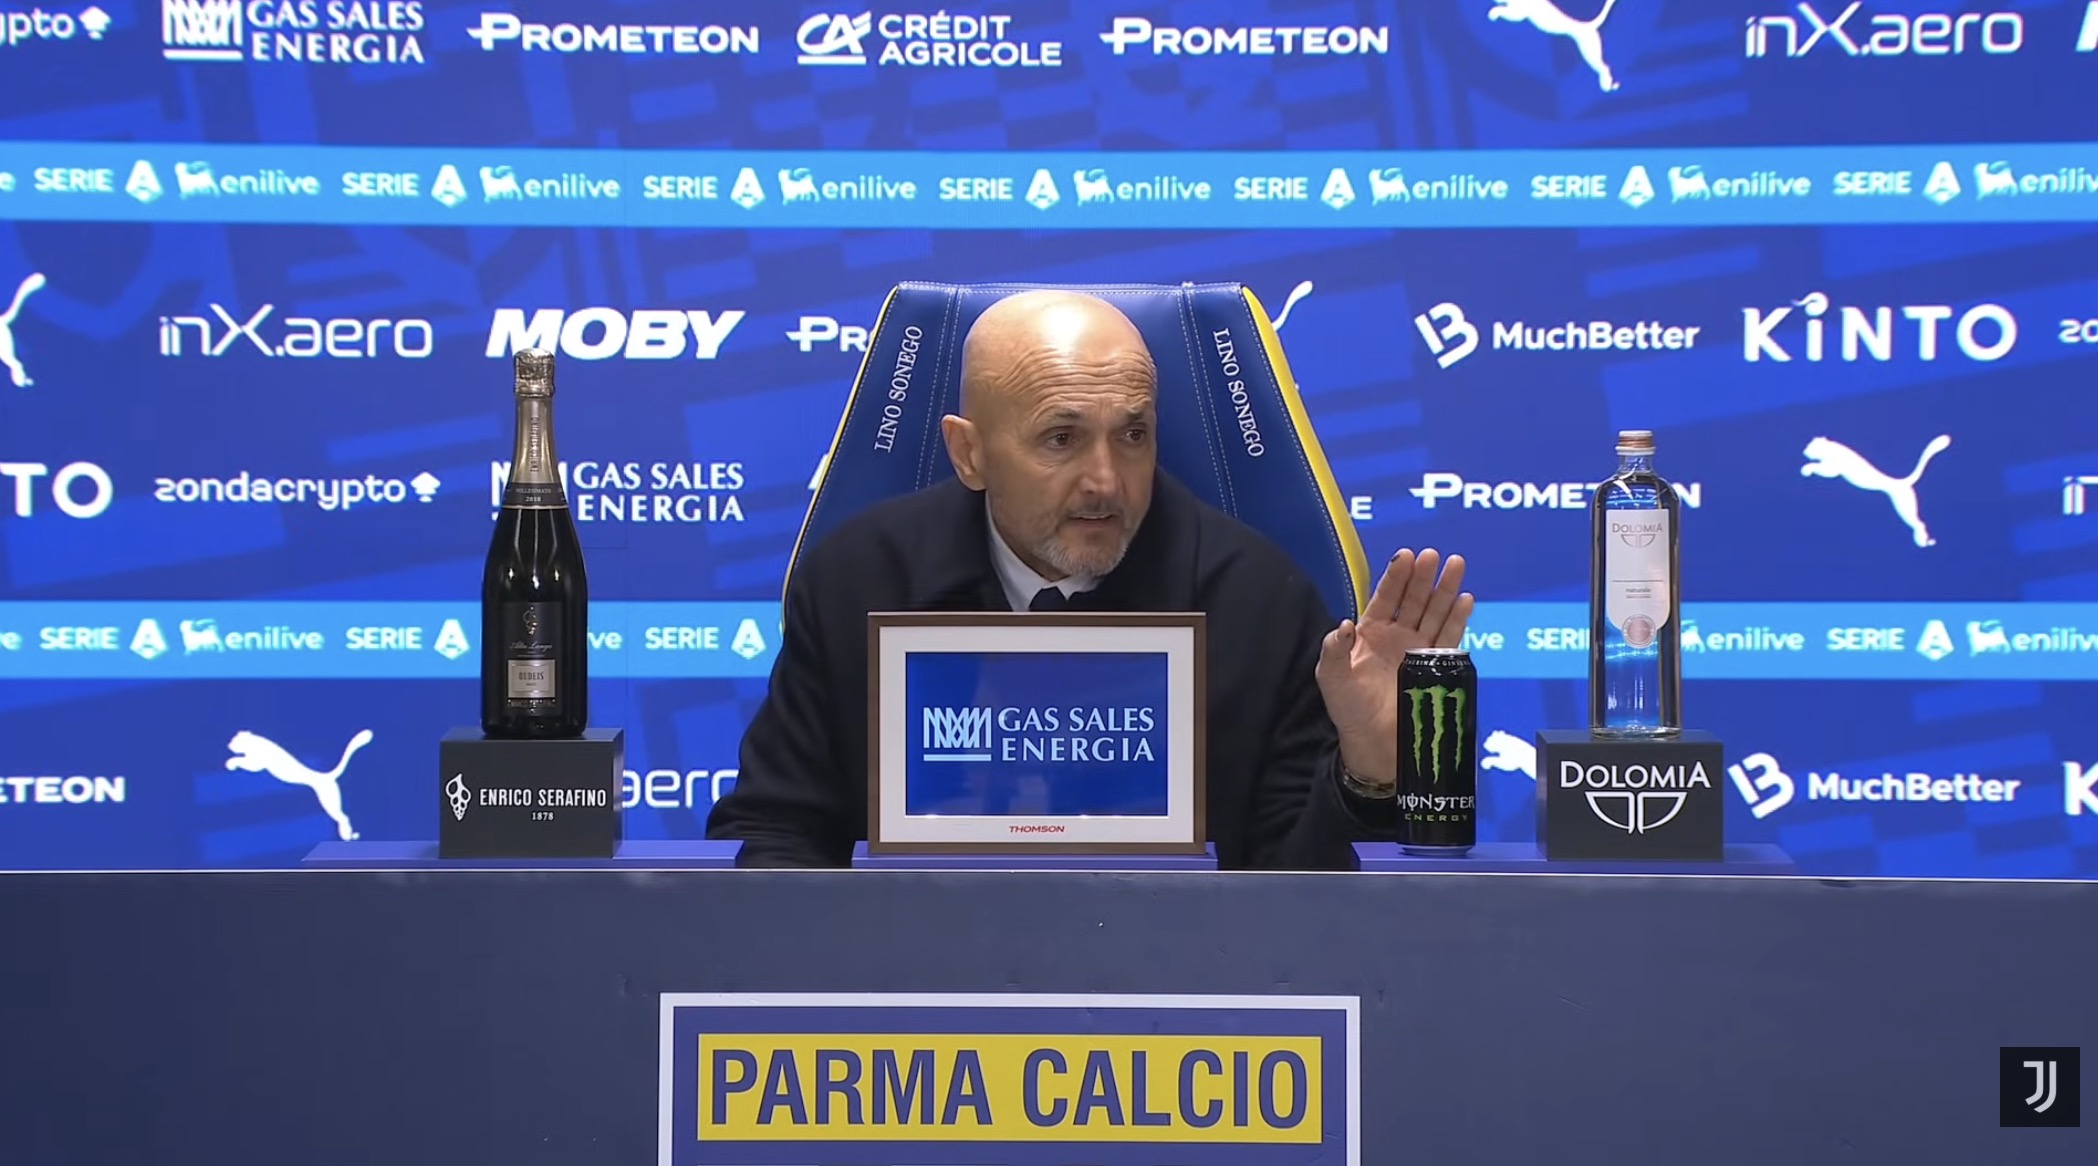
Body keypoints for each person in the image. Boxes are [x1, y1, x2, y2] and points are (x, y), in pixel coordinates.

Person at [707, 290, 1474, 869]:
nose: (1106, 481)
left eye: (1133, 434)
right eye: (1062, 438)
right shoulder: (856, 580)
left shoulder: (1259, 601)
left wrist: (1370, 773)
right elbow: (775, 833)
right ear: (969, 454)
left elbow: (1295, 893)